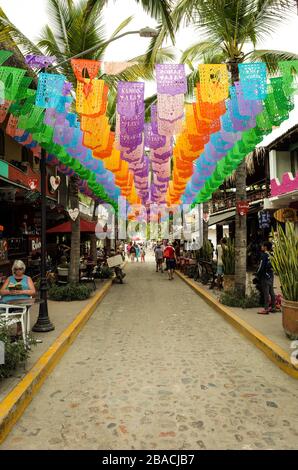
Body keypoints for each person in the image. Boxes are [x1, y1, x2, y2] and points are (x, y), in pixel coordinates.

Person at [256, 241, 277, 314]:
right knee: (271, 292)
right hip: (271, 275)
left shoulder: (264, 255)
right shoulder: (271, 254)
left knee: (266, 293)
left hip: (265, 276)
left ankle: (266, 309)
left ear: (265, 247)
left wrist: (257, 274)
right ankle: (273, 307)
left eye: (262, 246)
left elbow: (261, 266)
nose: (261, 247)